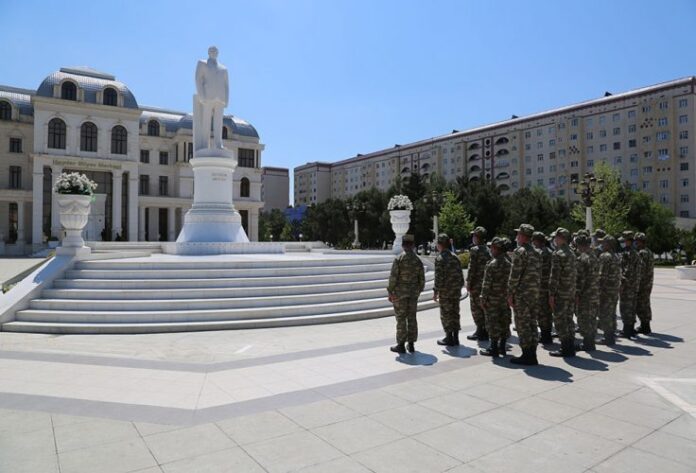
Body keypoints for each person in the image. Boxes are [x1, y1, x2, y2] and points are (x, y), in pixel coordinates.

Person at [507, 223, 541, 365]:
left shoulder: (520, 252)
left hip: (522, 294)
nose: (517, 236)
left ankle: (527, 355)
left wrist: (510, 293)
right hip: (534, 293)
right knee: (532, 322)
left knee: (522, 324)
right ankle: (532, 353)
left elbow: (514, 275)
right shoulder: (536, 252)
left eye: (518, 234)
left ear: (522, 236)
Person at [387, 234, 425, 354]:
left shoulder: (399, 259)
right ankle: (411, 344)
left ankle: (401, 345)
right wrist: (418, 291)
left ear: (403, 245)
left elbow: (393, 278)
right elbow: (422, 280)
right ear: (413, 245)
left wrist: (390, 291)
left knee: (401, 319)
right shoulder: (418, 260)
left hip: (400, 294)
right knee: (412, 318)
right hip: (413, 294)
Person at [479, 237, 512, 357]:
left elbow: (486, 284)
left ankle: (493, 348)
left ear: (495, 248)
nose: (490, 250)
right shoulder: (509, 264)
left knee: (492, 323)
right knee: (504, 322)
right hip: (504, 299)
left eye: (492, 247)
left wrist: (483, 298)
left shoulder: (492, 264)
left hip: (492, 300)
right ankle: (502, 347)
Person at [549, 227, 577, 357]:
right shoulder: (571, 253)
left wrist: (551, 294)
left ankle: (565, 348)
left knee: (560, 320)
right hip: (570, 292)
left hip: (561, 292)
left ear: (561, 238)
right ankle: (570, 346)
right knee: (568, 319)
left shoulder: (558, 254)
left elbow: (554, 276)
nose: (555, 239)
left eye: (556, 237)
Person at [433, 233, 465, 346]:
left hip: (445, 292)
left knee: (446, 314)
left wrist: (436, 291)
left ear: (440, 245)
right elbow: (461, 276)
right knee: (455, 313)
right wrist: (459, 287)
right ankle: (455, 337)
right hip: (455, 291)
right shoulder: (455, 257)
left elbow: (438, 278)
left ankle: (448, 337)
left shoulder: (440, 258)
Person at [466, 226, 492, 341]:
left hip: (476, 284)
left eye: (474, 236)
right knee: (484, 307)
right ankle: (486, 330)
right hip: (486, 284)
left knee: (476, 308)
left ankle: (480, 330)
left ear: (477, 237)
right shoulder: (488, 250)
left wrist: (468, 283)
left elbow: (472, 269)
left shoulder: (475, 250)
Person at [575, 234, 600, 351]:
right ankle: (590, 343)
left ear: (581, 245)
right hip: (594, 293)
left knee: (584, 319)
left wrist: (577, 294)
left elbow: (581, 279)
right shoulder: (594, 256)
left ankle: (587, 344)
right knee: (591, 318)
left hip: (586, 294)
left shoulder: (583, 258)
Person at [597, 235, 621, 345]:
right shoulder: (615, 256)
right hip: (614, 290)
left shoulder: (605, 256)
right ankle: (611, 336)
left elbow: (602, 276)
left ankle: (608, 338)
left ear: (608, 245)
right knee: (611, 313)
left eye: (603, 243)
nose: (601, 244)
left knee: (605, 313)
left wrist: (598, 290)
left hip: (606, 290)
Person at [619, 230, 643, 338]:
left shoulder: (630, 253)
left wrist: (622, 283)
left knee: (626, 307)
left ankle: (627, 331)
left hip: (628, 285)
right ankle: (630, 329)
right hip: (633, 285)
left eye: (624, 239)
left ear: (628, 240)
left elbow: (627, 271)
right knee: (631, 307)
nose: (623, 241)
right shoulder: (633, 252)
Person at [532, 232, 553, 344]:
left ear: (536, 241)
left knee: (542, 312)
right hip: (548, 286)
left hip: (541, 287)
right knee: (547, 312)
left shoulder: (539, 253)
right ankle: (547, 334)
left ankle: (545, 336)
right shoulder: (550, 252)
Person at [635, 232, 654, 334]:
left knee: (641, 304)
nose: (636, 243)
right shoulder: (649, 252)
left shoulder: (642, 253)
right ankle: (645, 325)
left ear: (641, 242)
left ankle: (645, 326)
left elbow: (640, 270)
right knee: (645, 303)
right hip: (648, 282)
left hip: (642, 283)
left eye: (637, 241)